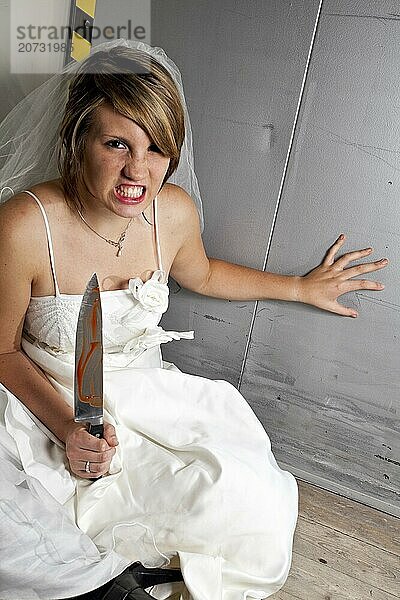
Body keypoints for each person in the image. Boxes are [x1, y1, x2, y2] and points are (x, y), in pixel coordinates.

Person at [0, 39, 387, 600]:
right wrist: (67, 427)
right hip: (40, 399)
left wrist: (301, 287)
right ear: (77, 138)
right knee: (23, 525)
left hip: (147, 400)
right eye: (117, 143)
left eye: (157, 149)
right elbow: (2, 351)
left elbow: (203, 275)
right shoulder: (23, 225)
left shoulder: (172, 211)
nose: (139, 170)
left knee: (247, 505)